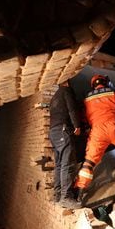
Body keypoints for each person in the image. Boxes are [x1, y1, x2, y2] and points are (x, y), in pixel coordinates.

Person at [49, 79, 82, 209]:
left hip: (53, 133)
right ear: (67, 82)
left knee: (59, 165)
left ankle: (58, 195)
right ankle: (66, 197)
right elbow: (72, 109)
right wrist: (77, 126)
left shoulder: (54, 97)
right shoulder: (66, 91)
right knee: (67, 164)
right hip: (63, 131)